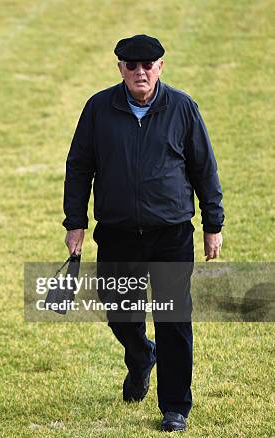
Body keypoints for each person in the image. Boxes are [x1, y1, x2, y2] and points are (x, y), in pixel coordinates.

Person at [63, 34, 224, 432]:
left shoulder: (183, 108)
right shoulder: (98, 109)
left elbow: (204, 168)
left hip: (170, 234)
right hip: (117, 233)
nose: (140, 72)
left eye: (148, 65)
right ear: (119, 68)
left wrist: (213, 225)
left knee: (173, 319)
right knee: (119, 310)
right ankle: (140, 356)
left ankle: (174, 407)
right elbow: (79, 167)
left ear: (160, 67)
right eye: (131, 65)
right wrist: (75, 223)